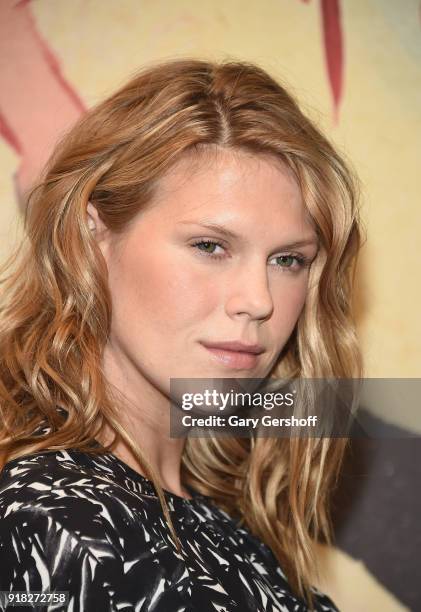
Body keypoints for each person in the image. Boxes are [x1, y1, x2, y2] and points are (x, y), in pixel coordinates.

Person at [0, 58, 362, 611]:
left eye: (288, 259)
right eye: (210, 247)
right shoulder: (58, 524)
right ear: (93, 237)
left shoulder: (219, 514)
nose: (259, 301)